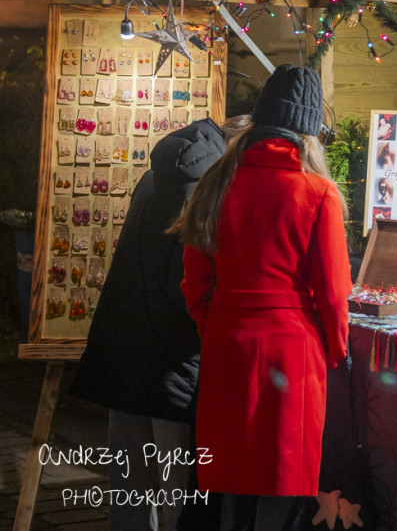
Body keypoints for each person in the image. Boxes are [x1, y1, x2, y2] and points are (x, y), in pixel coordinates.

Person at [170, 64, 351, 529]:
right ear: (308, 135)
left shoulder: (215, 183)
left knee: (228, 484)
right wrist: (336, 351)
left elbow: (195, 280)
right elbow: (333, 294)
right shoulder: (318, 193)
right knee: (282, 485)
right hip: (291, 355)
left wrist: (215, 327)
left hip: (228, 344)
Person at [69, 115, 249, 531]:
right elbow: (185, 287)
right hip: (173, 364)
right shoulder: (209, 191)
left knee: (128, 497)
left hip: (123, 350)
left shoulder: (155, 175)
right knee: (176, 499)